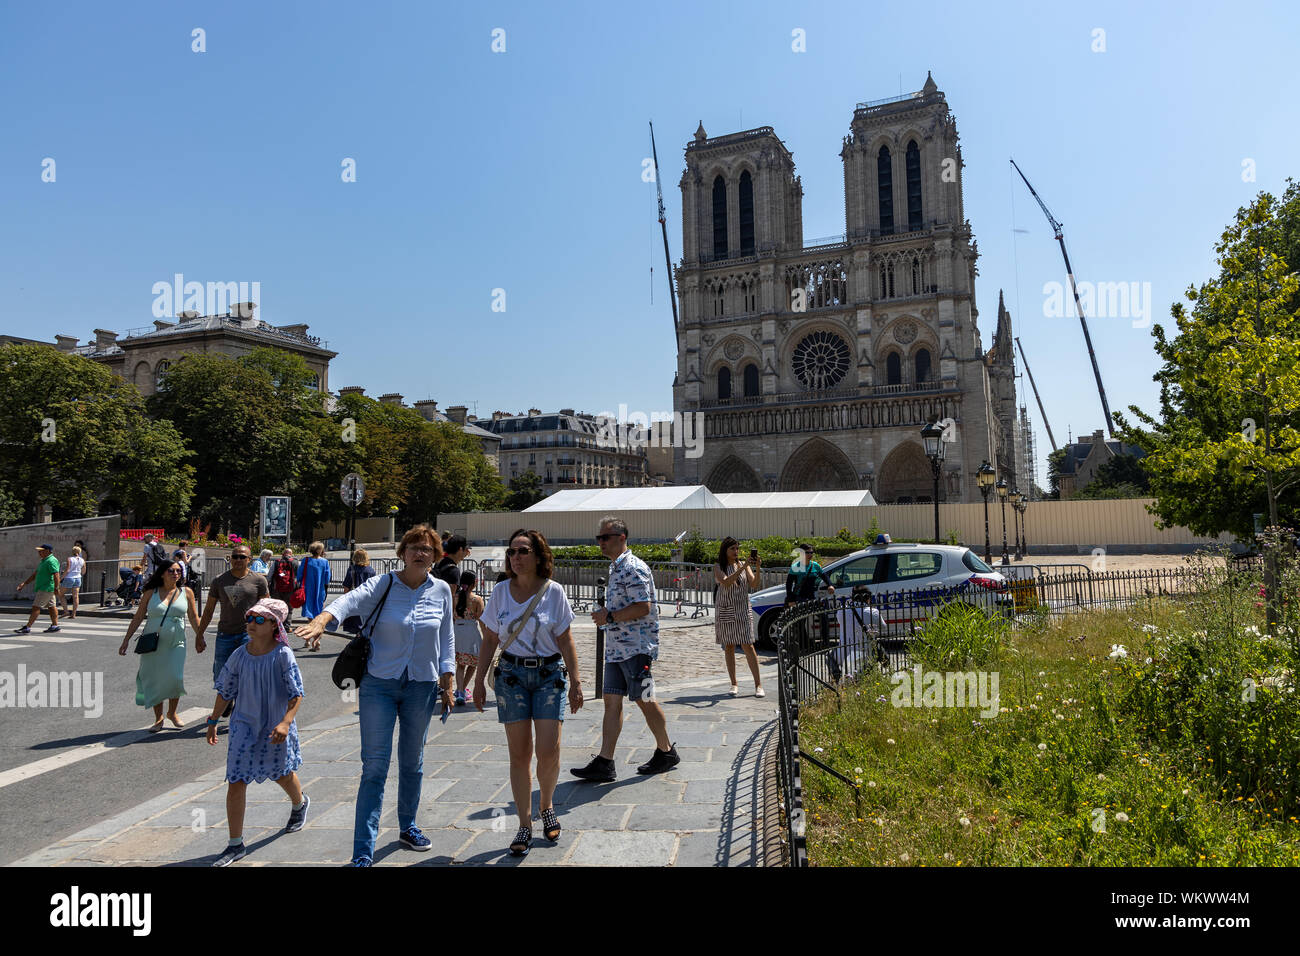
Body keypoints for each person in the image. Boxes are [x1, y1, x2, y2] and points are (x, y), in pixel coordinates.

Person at [294, 524, 455, 867]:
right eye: (414, 546)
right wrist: (323, 619)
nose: (420, 552)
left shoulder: (441, 590)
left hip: (422, 686)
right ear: (403, 552)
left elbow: (447, 637)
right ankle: (363, 852)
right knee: (375, 767)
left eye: (427, 548)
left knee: (413, 763)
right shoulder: (383, 583)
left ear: (435, 555)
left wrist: (448, 680)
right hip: (379, 685)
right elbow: (348, 601)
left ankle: (408, 827)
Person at [473, 530, 582, 856]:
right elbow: (490, 639)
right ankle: (524, 823)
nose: (515, 558)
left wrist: (576, 681)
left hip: (550, 675)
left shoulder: (554, 592)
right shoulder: (501, 592)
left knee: (549, 750)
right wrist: (478, 681)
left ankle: (546, 804)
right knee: (520, 754)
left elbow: (566, 640)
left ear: (538, 556)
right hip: (512, 676)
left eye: (522, 551)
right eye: (512, 552)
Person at [571, 516, 677, 783]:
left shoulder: (633, 567)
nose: (600, 542)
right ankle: (605, 761)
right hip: (618, 648)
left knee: (645, 699)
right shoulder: (617, 568)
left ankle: (666, 750)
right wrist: (609, 617)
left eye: (605, 537)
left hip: (637, 648)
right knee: (612, 701)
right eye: (599, 538)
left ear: (621, 537)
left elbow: (644, 606)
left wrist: (609, 617)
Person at [205, 598, 308, 866]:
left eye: (259, 619)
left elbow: (296, 694)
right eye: (250, 618)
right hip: (243, 726)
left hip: (275, 726)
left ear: (275, 624)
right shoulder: (239, 655)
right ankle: (235, 844)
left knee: (282, 774)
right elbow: (225, 691)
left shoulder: (283, 654)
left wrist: (285, 722)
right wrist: (213, 720)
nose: (251, 623)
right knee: (236, 780)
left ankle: (299, 804)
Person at [118, 559, 201, 732]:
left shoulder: (186, 592)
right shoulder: (151, 592)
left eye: (178, 571)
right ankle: (159, 718)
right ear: (162, 573)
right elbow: (139, 616)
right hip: (152, 642)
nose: (175, 574)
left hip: (176, 641)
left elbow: (193, 617)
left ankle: (172, 713)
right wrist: (126, 640)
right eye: (171, 571)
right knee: (155, 679)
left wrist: (200, 636)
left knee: (175, 677)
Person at [196, 544, 270, 718]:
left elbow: (267, 609)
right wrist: (199, 634)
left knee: (247, 674)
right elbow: (208, 610)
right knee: (220, 674)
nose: (237, 560)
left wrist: (268, 635)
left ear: (249, 560)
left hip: (249, 635)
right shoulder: (219, 580)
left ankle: (240, 706)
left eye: (242, 557)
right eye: (234, 557)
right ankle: (227, 700)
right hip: (225, 634)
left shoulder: (259, 580)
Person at [713, 537, 764, 697]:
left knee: (748, 645)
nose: (736, 552)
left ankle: (758, 684)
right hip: (726, 608)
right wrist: (744, 568)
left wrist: (756, 567)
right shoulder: (718, 566)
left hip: (742, 608)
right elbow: (726, 581)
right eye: (732, 549)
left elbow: (754, 584)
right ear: (725, 550)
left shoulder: (742, 564)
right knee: (729, 646)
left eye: (737, 548)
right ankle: (734, 683)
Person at [13, 544, 62, 634]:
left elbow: (56, 575)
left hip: (46, 588)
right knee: (51, 606)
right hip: (46, 587)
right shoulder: (44, 561)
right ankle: (55, 626)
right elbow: (35, 574)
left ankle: (27, 627)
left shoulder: (51, 561)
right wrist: (24, 583)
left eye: (41, 550)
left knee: (36, 607)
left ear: (47, 551)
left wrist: (57, 587)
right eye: (39, 551)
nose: (39, 552)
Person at [453, 570, 483, 705]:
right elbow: (480, 618)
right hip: (471, 631)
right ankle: (462, 689)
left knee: (460, 663)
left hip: (457, 630)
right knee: (473, 662)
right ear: (474, 583)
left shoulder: (454, 597)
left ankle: (459, 690)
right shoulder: (477, 600)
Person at [339, 548, 376, 635]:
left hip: (354, 599)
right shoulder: (371, 570)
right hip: (367, 600)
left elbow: (346, 587)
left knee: (355, 626)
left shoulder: (351, 569)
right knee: (366, 625)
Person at [298, 541, 330, 623]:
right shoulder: (325, 561)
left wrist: (298, 582)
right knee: (319, 604)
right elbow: (327, 577)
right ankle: (316, 623)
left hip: (307, 587)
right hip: (320, 587)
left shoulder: (306, 560)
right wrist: (326, 584)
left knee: (308, 605)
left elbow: (300, 574)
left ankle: (311, 622)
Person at [61, 545, 85, 619]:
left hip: (69, 577)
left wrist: (61, 578)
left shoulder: (70, 559)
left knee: (60, 594)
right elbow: (83, 571)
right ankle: (74, 614)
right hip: (78, 578)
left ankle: (66, 611)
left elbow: (67, 570)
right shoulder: (82, 560)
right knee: (75, 596)